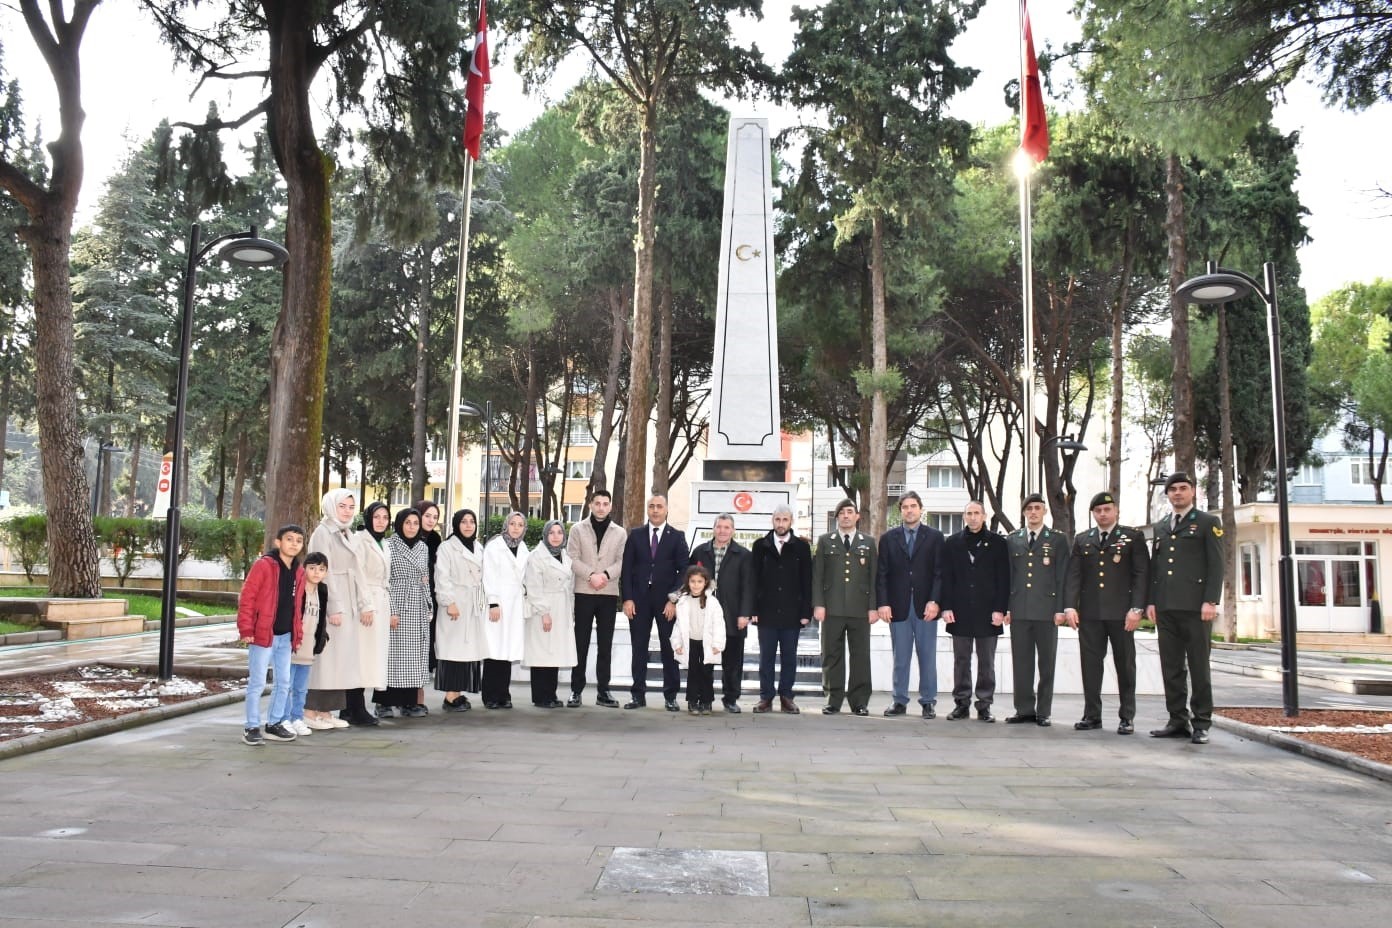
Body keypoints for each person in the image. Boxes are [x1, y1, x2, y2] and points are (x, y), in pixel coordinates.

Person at [1063, 491, 1150, 735]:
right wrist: (1070, 606)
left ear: (1116, 511)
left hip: (1122, 614)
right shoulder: (1083, 539)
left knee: (1125, 666)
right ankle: (1092, 715)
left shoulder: (1132, 537)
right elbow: (1074, 575)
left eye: (1107, 510)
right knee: (1090, 666)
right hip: (1090, 615)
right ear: (1093, 514)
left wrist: (1137, 609)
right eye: (1098, 511)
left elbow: (1141, 574)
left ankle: (1126, 717)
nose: (1102, 514)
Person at [1147, 472, 1225, 745]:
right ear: (1167, 494)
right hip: (1166, 607)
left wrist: (1211, 600)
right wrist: (1152, 600)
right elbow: (1156, 568)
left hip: (1195, 607)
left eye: (1183, 488)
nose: (1178, 493)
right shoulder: (1162, 526)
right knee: (1171, 666)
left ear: (1193, 491)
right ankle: (1177, 719)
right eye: (1173, 490)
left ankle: (1201, 722)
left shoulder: (1207, 523)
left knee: (1199, 666)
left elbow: (1216, 564)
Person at [307, 489, 373, 727]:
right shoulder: (323, 533)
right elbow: (322, 572)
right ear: (330, 506)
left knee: (341, 659)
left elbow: (358, 570)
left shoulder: (347, 533)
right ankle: (310, 710)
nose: (346, 512)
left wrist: (365, 602)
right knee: (326, 659)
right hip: (333, 599)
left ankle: (326, 711)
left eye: (350, 507)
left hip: (349, 598)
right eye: (342, 506)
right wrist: (332, 607)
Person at [876, 491, 944, 719]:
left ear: (921, 509)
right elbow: (882, 574)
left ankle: (928, 702)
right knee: (901, 657)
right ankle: (899, 700)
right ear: (900, 511)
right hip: (898, 607)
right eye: (905, 507)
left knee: (927, 656)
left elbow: (939, 573)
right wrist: (883, 603)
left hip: (926, 607)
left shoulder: (935, 537)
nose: (909, 510)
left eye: (913, 506)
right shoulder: (888, 538)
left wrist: (935, 601)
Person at [1004, 493, 1070, 727]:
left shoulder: (1058, 540)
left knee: (1046, 664)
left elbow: (1063, 577)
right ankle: (1023, 709)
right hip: (1020, 610)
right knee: (1021, 663)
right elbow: (1008, 577)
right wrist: (1007, 608)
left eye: (1038, 508)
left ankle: (1043, 711)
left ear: (1044, 512)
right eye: (1029, 508)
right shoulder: (1013, 539)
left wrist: (1061, 608)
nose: (1033, 512)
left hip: (1047, 611)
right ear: (1024, 512)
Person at [940, 501, 1010, 722]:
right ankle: (961, 703)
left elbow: (1004, 579)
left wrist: (1000, 609)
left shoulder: (998, 543)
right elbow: (946, 578)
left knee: (986, 662)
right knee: (961, 660)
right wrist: (946, 607)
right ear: (964, 516)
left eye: (976, 513)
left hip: (988, 613)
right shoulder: (952, 543)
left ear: (984, 516)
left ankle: (984, 705)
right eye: (969, 513)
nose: (972, 517)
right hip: (959, 612)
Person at [236, 524, 306, 745]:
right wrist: (246, 629)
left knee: (283, 682)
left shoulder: (299, 571)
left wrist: (297, 632)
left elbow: (298, 606)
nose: (294, 544)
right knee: (257, 682)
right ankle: (251, 726)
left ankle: (274, 723)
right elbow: (247, 597)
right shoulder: (264, 566)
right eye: (289, 539)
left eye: (298, 540)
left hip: (285, 637)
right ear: (278, 542)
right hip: (263, 635)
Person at [620, 495, 689, 711]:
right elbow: (627, 569)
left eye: (659, 506)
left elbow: (684, 572)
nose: (655, 510)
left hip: (665, 602)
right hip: (638, 601)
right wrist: (628, 599)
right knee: (638, 648)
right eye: (652, 506)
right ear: (647, 510)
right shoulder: (636, 535)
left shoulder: (677, 536)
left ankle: (670, 696)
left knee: (669, 649)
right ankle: (637, 695)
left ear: (667, 510)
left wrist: (674, 600)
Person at [812, 498, 879, 716]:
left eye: (850, 512)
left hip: (860, 610)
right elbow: (818, 576)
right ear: (837, 517)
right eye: (842, 513)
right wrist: (819, 604)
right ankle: (833, 699)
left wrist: (873, 607)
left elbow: (873, 577)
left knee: (860, 655)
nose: (846, 516)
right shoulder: (825, 541)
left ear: (857, 516)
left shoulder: (868, 542)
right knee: (832, 655)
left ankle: (859, 701)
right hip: (832, 609)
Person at [689, 513, 754, 712]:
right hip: (704, 616)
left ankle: (731, 699)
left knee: (732, 662)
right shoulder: (700, 552)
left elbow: (748, 587)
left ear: (733, 530)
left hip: (733, 615)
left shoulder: (743, 555)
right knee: (704, 660)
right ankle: (704, 698)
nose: (722, 531)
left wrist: (745, 614)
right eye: (719, 527)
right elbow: (689, 581)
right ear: (713, 528)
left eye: (727, 527)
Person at [750, 504, 812, 714]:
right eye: (778, 520)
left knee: (789, 657)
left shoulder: (801, 547)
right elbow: (753, 579)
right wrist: (753, 608)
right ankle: (766, 697)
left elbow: (807, 581)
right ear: (772, 521)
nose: (781, 524)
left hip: (792, 613)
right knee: (766, 657)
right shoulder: (760, 545)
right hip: (766, 612)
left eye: (785, 520)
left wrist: (806, 612)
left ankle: (786, 696)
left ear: (791, 521)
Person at [567, 490, 625, 708]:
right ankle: (576, 691)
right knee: (580, 643)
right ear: (590, 505)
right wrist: (591, 576)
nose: (601, 507)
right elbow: (571, 558)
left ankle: (604, 691)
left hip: (608, 594)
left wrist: (606, 576)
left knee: (605, 644)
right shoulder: (577, 529)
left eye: (605, 503)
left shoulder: (620, 533)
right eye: (597, 503)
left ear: (610, 506)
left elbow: (621, 560)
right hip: (583, 591)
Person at [375, 508, 432, 718]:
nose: (411, 527)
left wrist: (429, 605)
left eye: (415, 523)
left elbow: (425, 577)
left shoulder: (423, 547)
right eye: (407, 522)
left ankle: (409, 702)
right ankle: (384, 702)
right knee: (393, 654)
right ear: (399, 524)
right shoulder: (389, 545)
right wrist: (391, 610)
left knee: (414, 656)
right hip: (397, 601)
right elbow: (385, 579)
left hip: (417, 604)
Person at [434, 509, 487, 712]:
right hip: (455, 605)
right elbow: (442, 577)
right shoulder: (447, 547)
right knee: (453, 651)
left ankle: (457, 693)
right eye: (463, 521)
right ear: (457, 524)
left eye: (472, 521)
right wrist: (449, 602)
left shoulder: (478, 547)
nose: (468, 525)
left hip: (472, 605)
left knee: (466, 651)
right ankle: (450, 696)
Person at [523, 519, 578, 708]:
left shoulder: (565, 556)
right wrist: (544, 612)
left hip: (561, 609)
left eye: (559, 533)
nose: (556, 537)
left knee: (554, 652)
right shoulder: (536, 556)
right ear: (545, 535)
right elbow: (533, 587)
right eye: (552, 533)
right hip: (543, 608)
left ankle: (551, 694)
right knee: (541, 652)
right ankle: (540, 696)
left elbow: (570, 587)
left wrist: (571, 612)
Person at [482, 511, 529, 709]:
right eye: (513, 524)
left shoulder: (524, 548)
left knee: (508, 652)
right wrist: (493, 602)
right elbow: (488, 575)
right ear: (506, 525)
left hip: (515, 605)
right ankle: (490, 695)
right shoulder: (494, 547)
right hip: (499, 604)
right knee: (495, 650)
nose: (516, 528)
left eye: (520, 524)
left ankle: (504, 694)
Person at [670, 565, 726, 715]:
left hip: (706, 643)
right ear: (688, 582)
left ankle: (706, 702)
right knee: (693, 672)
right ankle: (693, 701)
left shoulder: (712, 602)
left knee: (707, 672)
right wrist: (677, 643)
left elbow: (719, 624)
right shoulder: (683, 602)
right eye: (693, 581)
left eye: (699, 581)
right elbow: (678, 625)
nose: (696, 585)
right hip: (691, 642)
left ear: (705, 582)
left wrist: (717, 644)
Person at [287, 551, 330, 733]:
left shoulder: (321, 590)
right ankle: (283, 719)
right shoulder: (298, 589)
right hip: (292, 646)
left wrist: (320, 640)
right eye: (312, 568)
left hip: (308, 648)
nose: (316, 573)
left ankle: (297, 718)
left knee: (301, 688)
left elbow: (320, 620)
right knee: (286, 686)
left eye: (321, 569)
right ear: (304, 569)